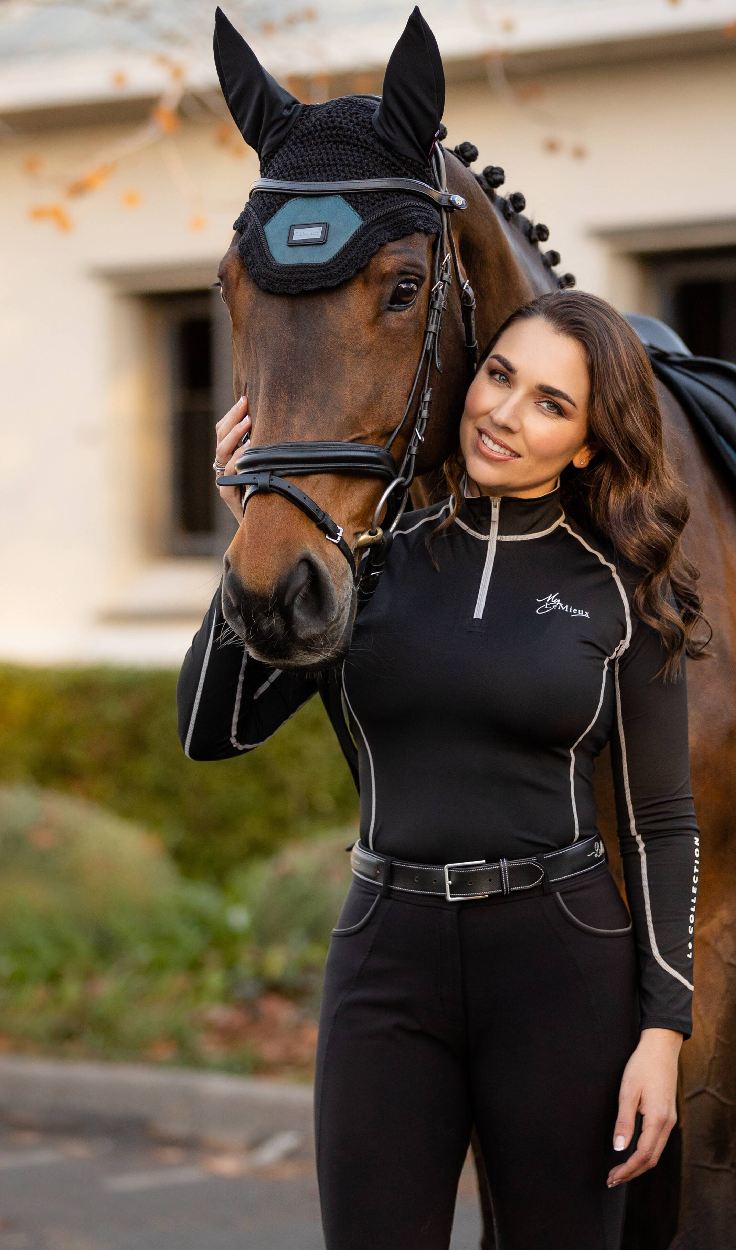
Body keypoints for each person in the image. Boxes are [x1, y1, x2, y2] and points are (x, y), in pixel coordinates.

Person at [177, 288, 705, 1250]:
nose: (504, 412)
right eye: (499, 376)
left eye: (551, 402)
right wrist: (253, 530)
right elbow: (216, 728)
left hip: (562, 968)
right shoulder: (369, 565)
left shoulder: (624, 590)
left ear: (587, 444)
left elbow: (660, 821)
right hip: (388, 958)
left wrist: (663, 1034)